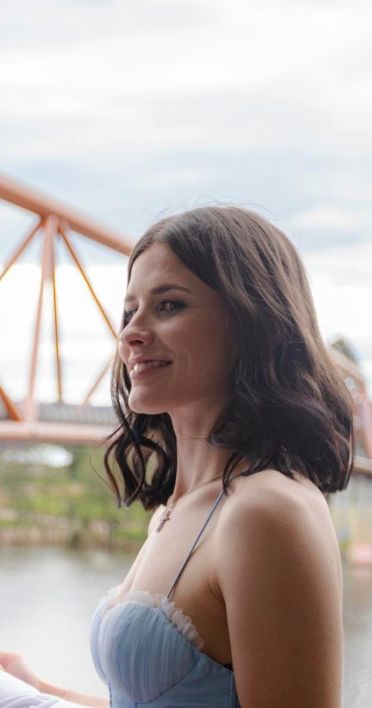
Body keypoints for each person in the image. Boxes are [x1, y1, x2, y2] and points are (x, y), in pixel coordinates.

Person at [0, 206, 353, 707]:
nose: (130, 333)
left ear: (250, 323)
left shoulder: (266, 511)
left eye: (169, 306)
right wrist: (39, 690)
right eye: (130, 311)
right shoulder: (178, 507)